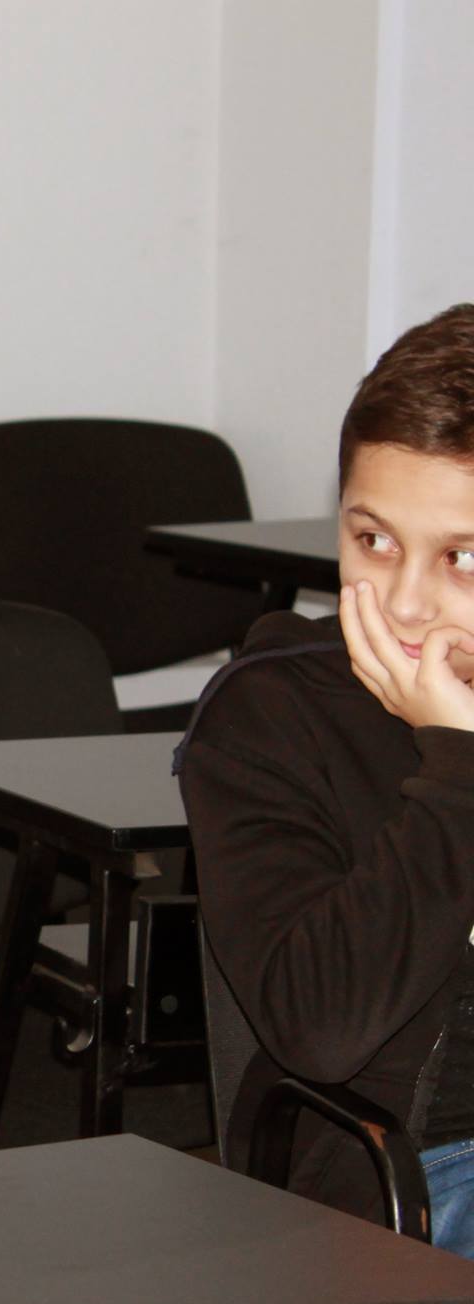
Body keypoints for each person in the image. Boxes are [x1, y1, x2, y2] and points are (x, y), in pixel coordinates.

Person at [177, 302, 474, 1249]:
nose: (405, 602)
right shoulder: (271, 714)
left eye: (463, 557)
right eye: (373, 540)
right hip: (424, 1171)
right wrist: (459, 768)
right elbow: (320, 1029)